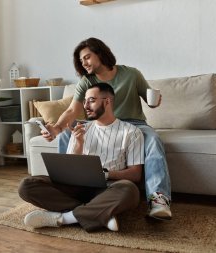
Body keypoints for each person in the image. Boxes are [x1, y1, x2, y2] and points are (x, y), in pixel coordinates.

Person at [43, 37, 172, 220]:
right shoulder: (86, 81)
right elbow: (73, 109)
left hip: (134, 123)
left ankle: (158, 200)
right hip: (97, 122)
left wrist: (155, 102)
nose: (84, 63)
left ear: (100, 54)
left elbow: (150, 99)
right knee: (66, 135)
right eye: (81, 60)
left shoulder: (132, 74)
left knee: (152, 139)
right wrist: (56, 128)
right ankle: (67, 189)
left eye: (87, 57)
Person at [18, 83, 144, 232]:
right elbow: (69, 169)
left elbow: (135, 174)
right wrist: (78, 144)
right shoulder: (81, 129)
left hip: (108, 187)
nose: (85, 106)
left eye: (91, 100)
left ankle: (64, 218)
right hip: (76, 187)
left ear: (107, 101)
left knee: (130, 191)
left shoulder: (131, 132)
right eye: (84, 101)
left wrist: (106, 174)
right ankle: (101, 214)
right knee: (26, 186)